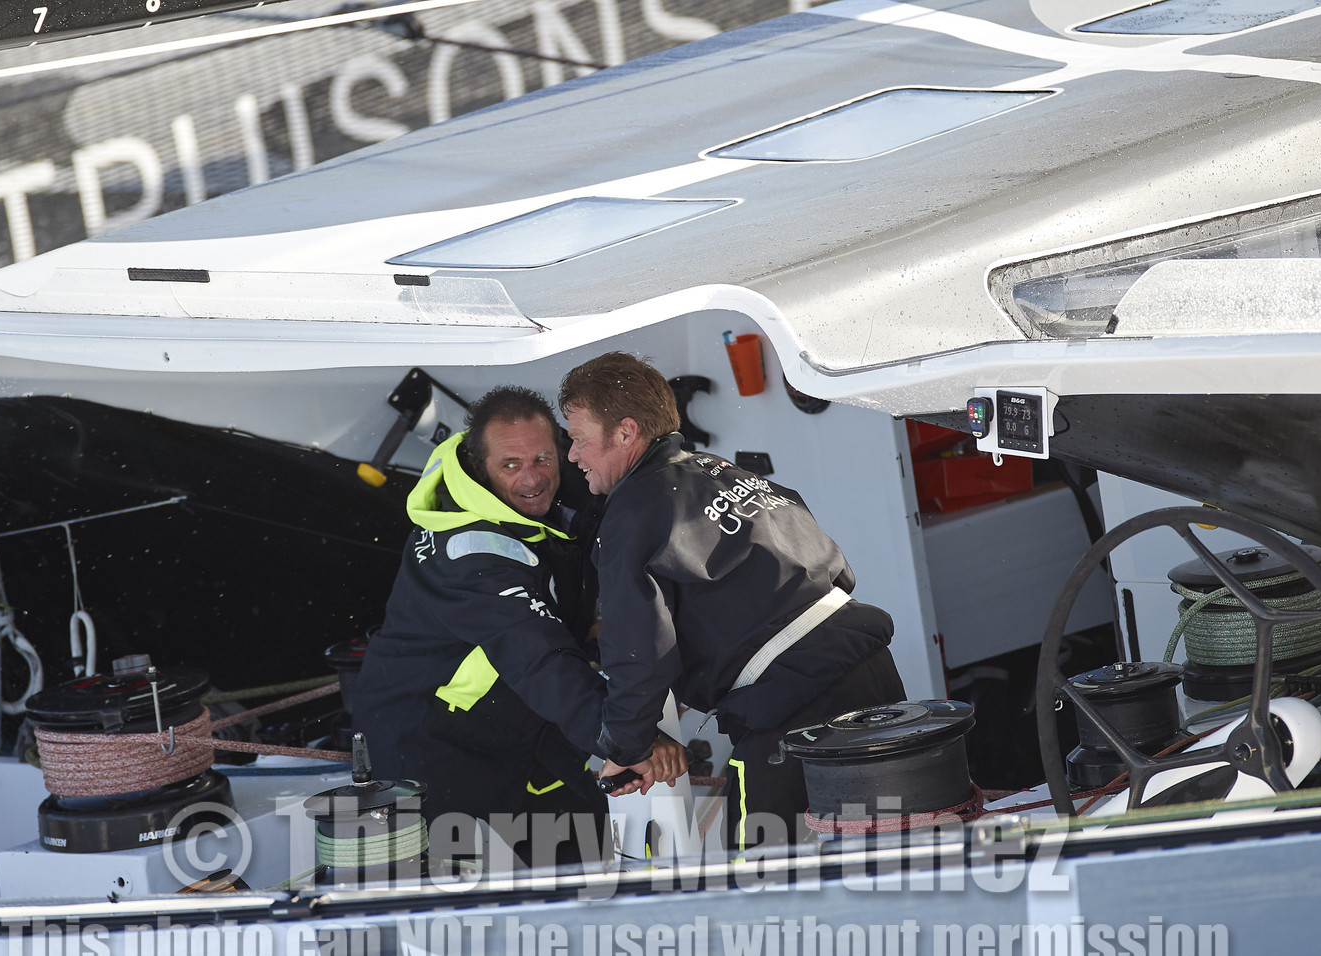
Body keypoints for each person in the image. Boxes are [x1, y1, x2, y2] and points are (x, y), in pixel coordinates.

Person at [559, 352, 906, 849]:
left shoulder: (633, 511)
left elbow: (639, 652)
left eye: (577, 437)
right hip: (873, 676)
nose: (572, 455)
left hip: (795, 712)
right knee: (894, 856)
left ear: (625, 432)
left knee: (760, 888)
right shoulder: (726, 472)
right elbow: (835, 570)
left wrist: (626, 746)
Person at [352, 386, 681, 866]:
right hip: (425, 739)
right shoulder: (470, 554)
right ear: (479, 464)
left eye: (543, 459)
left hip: (526, 721)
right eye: (510, 465)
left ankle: (575, 929)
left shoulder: (555, 493)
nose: (532, 479)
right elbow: (537, 654)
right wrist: (629, 739)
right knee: (438, 901)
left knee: (581, 865)